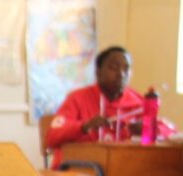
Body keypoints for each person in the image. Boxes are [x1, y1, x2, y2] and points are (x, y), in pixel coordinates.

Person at [46, 46, 175, 169]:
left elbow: (171, 133)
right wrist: (84, 127)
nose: (121, 74)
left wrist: (148, 129)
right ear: (98, 72)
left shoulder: (138, 101)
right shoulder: (77, 98)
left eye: (126, 68)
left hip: (124, 172)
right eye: (114, 67)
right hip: (82, 171)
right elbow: (52, 136)